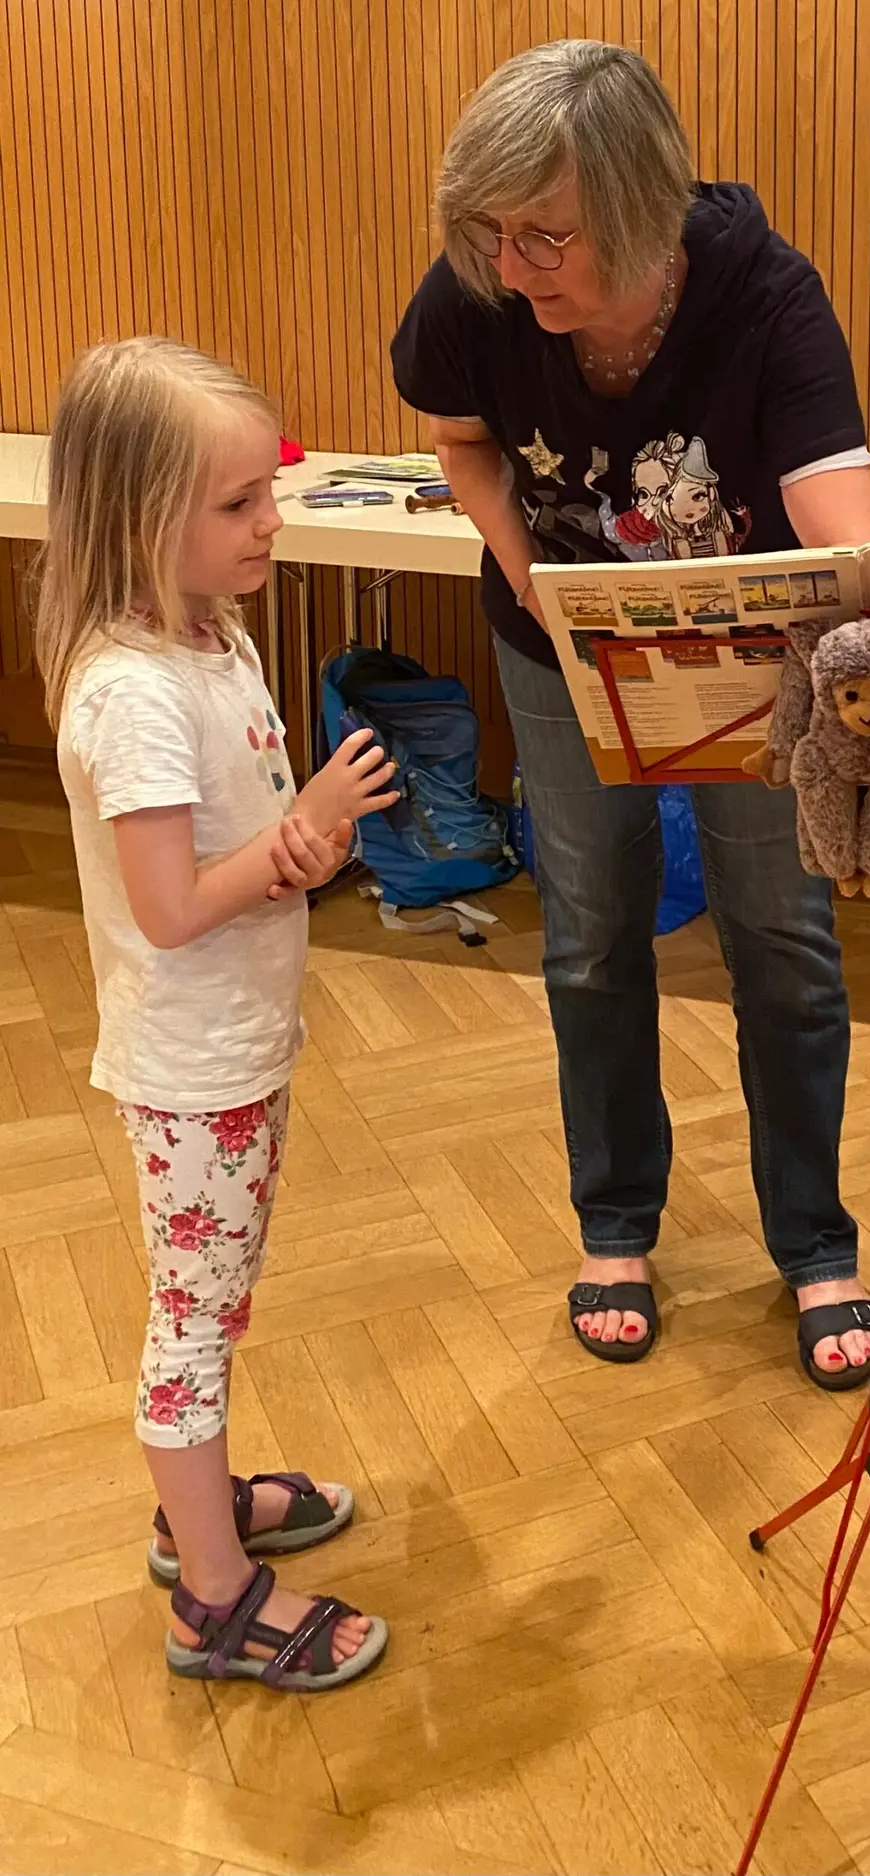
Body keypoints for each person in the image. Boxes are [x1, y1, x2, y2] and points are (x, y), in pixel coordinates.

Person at [390, 41, 870, 1384]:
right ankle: (615, 1224)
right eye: (490, 236)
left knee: (779, 937)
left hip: (745, 658)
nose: (511, 269)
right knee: (591, 930)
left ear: (638, 207)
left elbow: (837, 518)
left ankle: (814, 1244)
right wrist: (538, 587)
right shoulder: (478, 291)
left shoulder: (767, 296)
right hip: (561, 649)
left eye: (546, 237)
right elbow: (461, 442)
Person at [40, 339, 400, 1688]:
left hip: (234, 1046)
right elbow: (172, 907)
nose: (273, 522)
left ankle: (201, 1504)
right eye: (238, 503)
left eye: (271, 491)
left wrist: (301, 836)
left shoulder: (206, 630)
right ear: (143, 513)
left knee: (217, 1307)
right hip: (191, 1064)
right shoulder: (130, 689)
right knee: (191, 1329)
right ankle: (212, 1594)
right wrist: (304, 836)